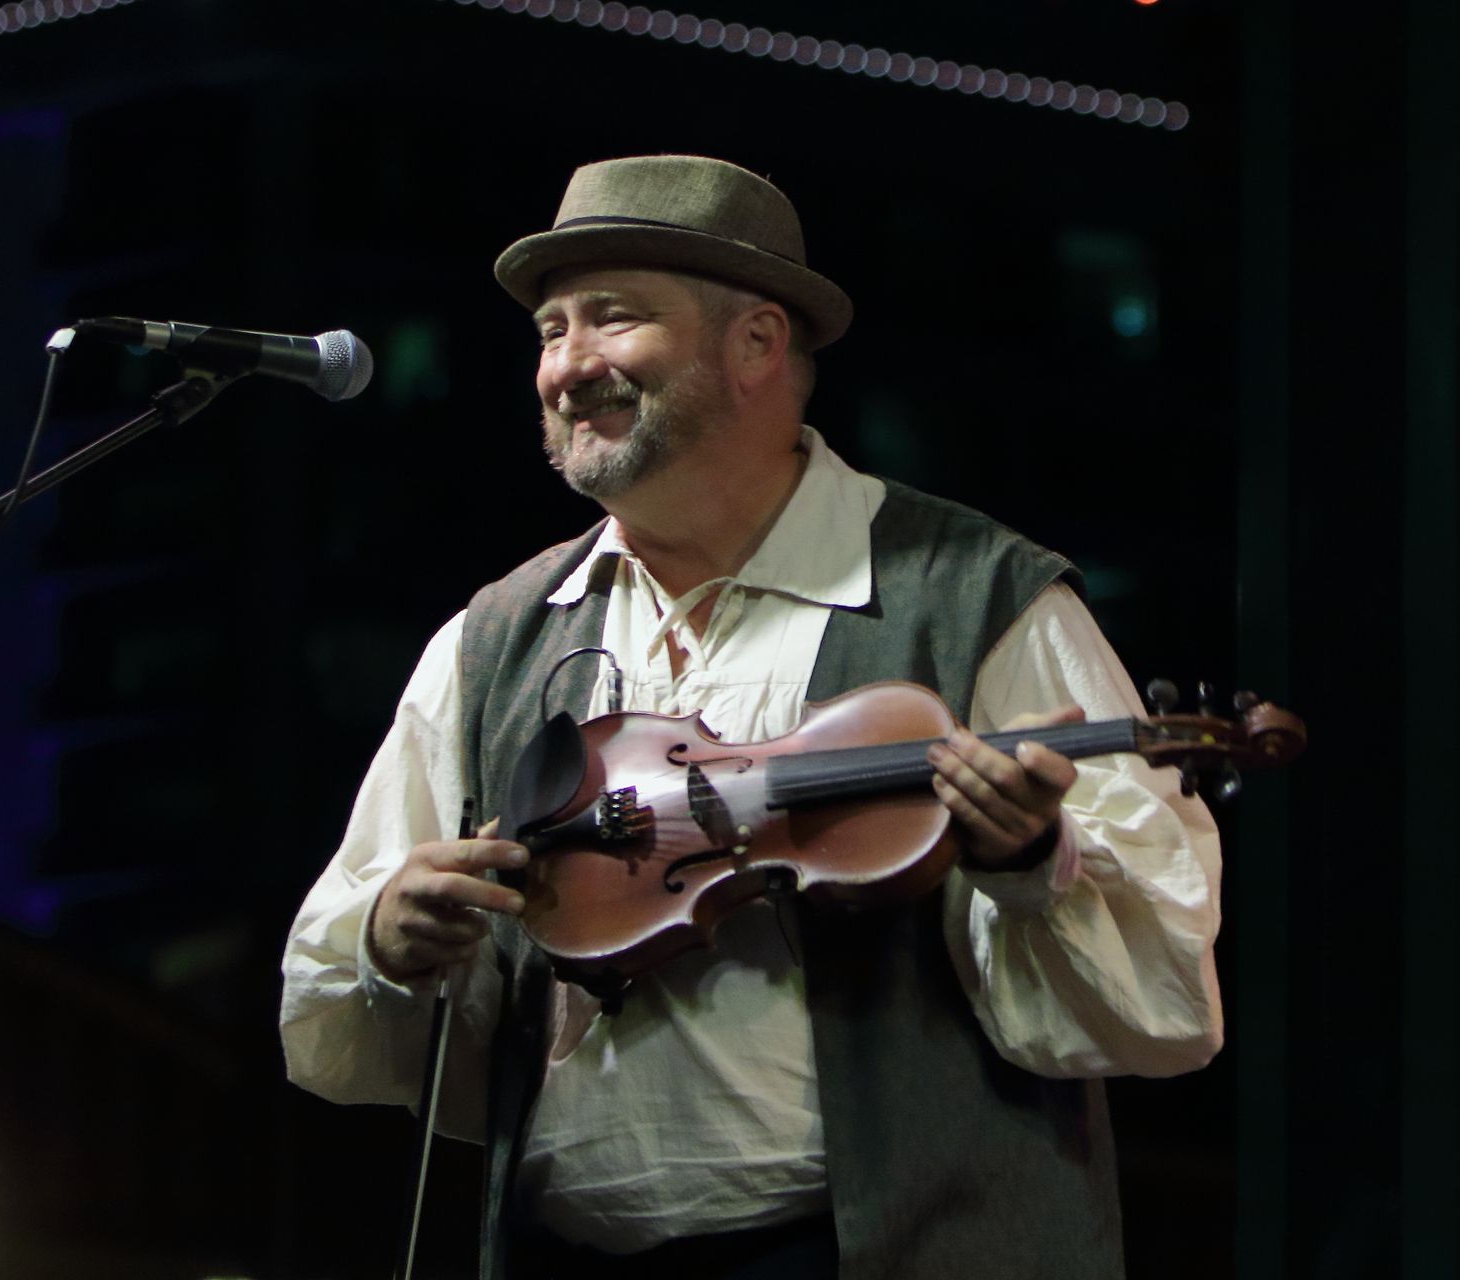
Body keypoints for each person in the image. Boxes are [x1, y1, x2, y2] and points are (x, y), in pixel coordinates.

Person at [280, 155, 1223, 1280]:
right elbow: (346, 988)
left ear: (757, 344)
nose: (567, 366)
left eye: (612, 318)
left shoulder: (973, 592)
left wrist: (1030, 858)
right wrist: (390, 936)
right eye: (550, 331)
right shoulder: (494, 641)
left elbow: (1162, 990)